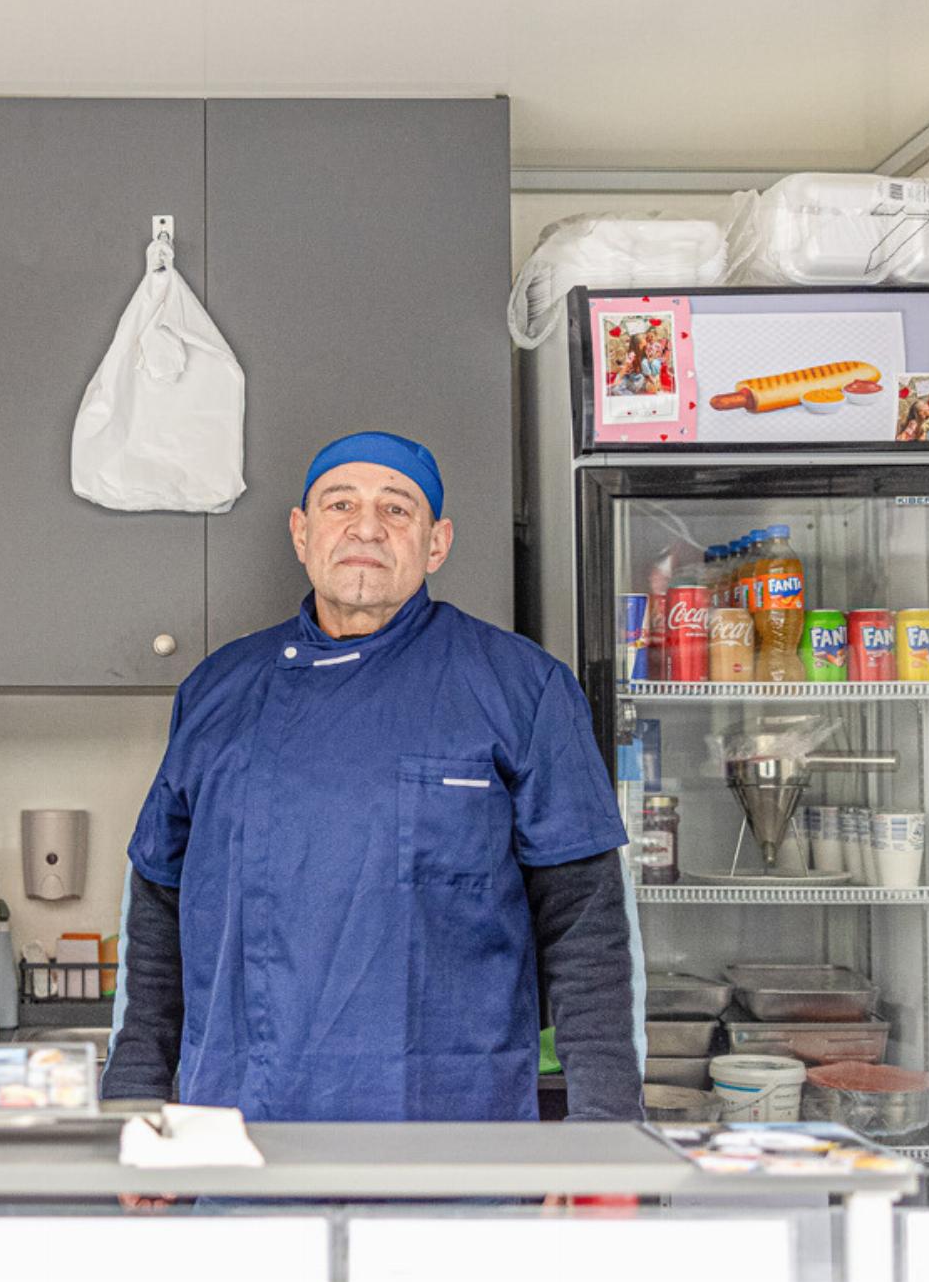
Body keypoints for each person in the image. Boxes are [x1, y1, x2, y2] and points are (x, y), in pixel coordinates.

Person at [102, 431, 643, 1134]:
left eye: (397, 508)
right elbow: (156, 916)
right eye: (340, 504)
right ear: (301, 532)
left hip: (454, 1147)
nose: (365, 527)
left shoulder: (522, 688)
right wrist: (133, 1109)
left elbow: (586, 926)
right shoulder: (217, 693)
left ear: (437, 542)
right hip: (240, 1140)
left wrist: (605, 1134)